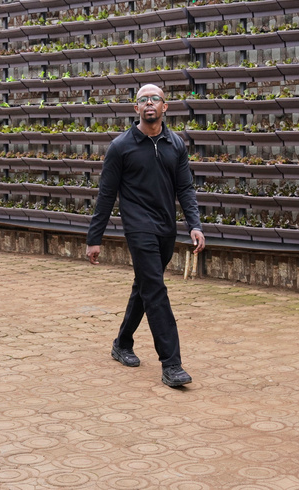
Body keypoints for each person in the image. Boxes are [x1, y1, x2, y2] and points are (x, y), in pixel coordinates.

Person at [86, 84, 206, 388]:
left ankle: (122, 343)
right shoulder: (121, 147)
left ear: (165, 107)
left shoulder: (175, 144)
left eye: (155, 99)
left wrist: (195, 224)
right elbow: (106, 195)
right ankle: (172, 364)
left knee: (145, 286)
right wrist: (94, 238)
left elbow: (185, 188)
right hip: (138, 228)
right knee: (156, 289)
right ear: (135, 108)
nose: (149, 103)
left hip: (166, 227)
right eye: (143, 100)